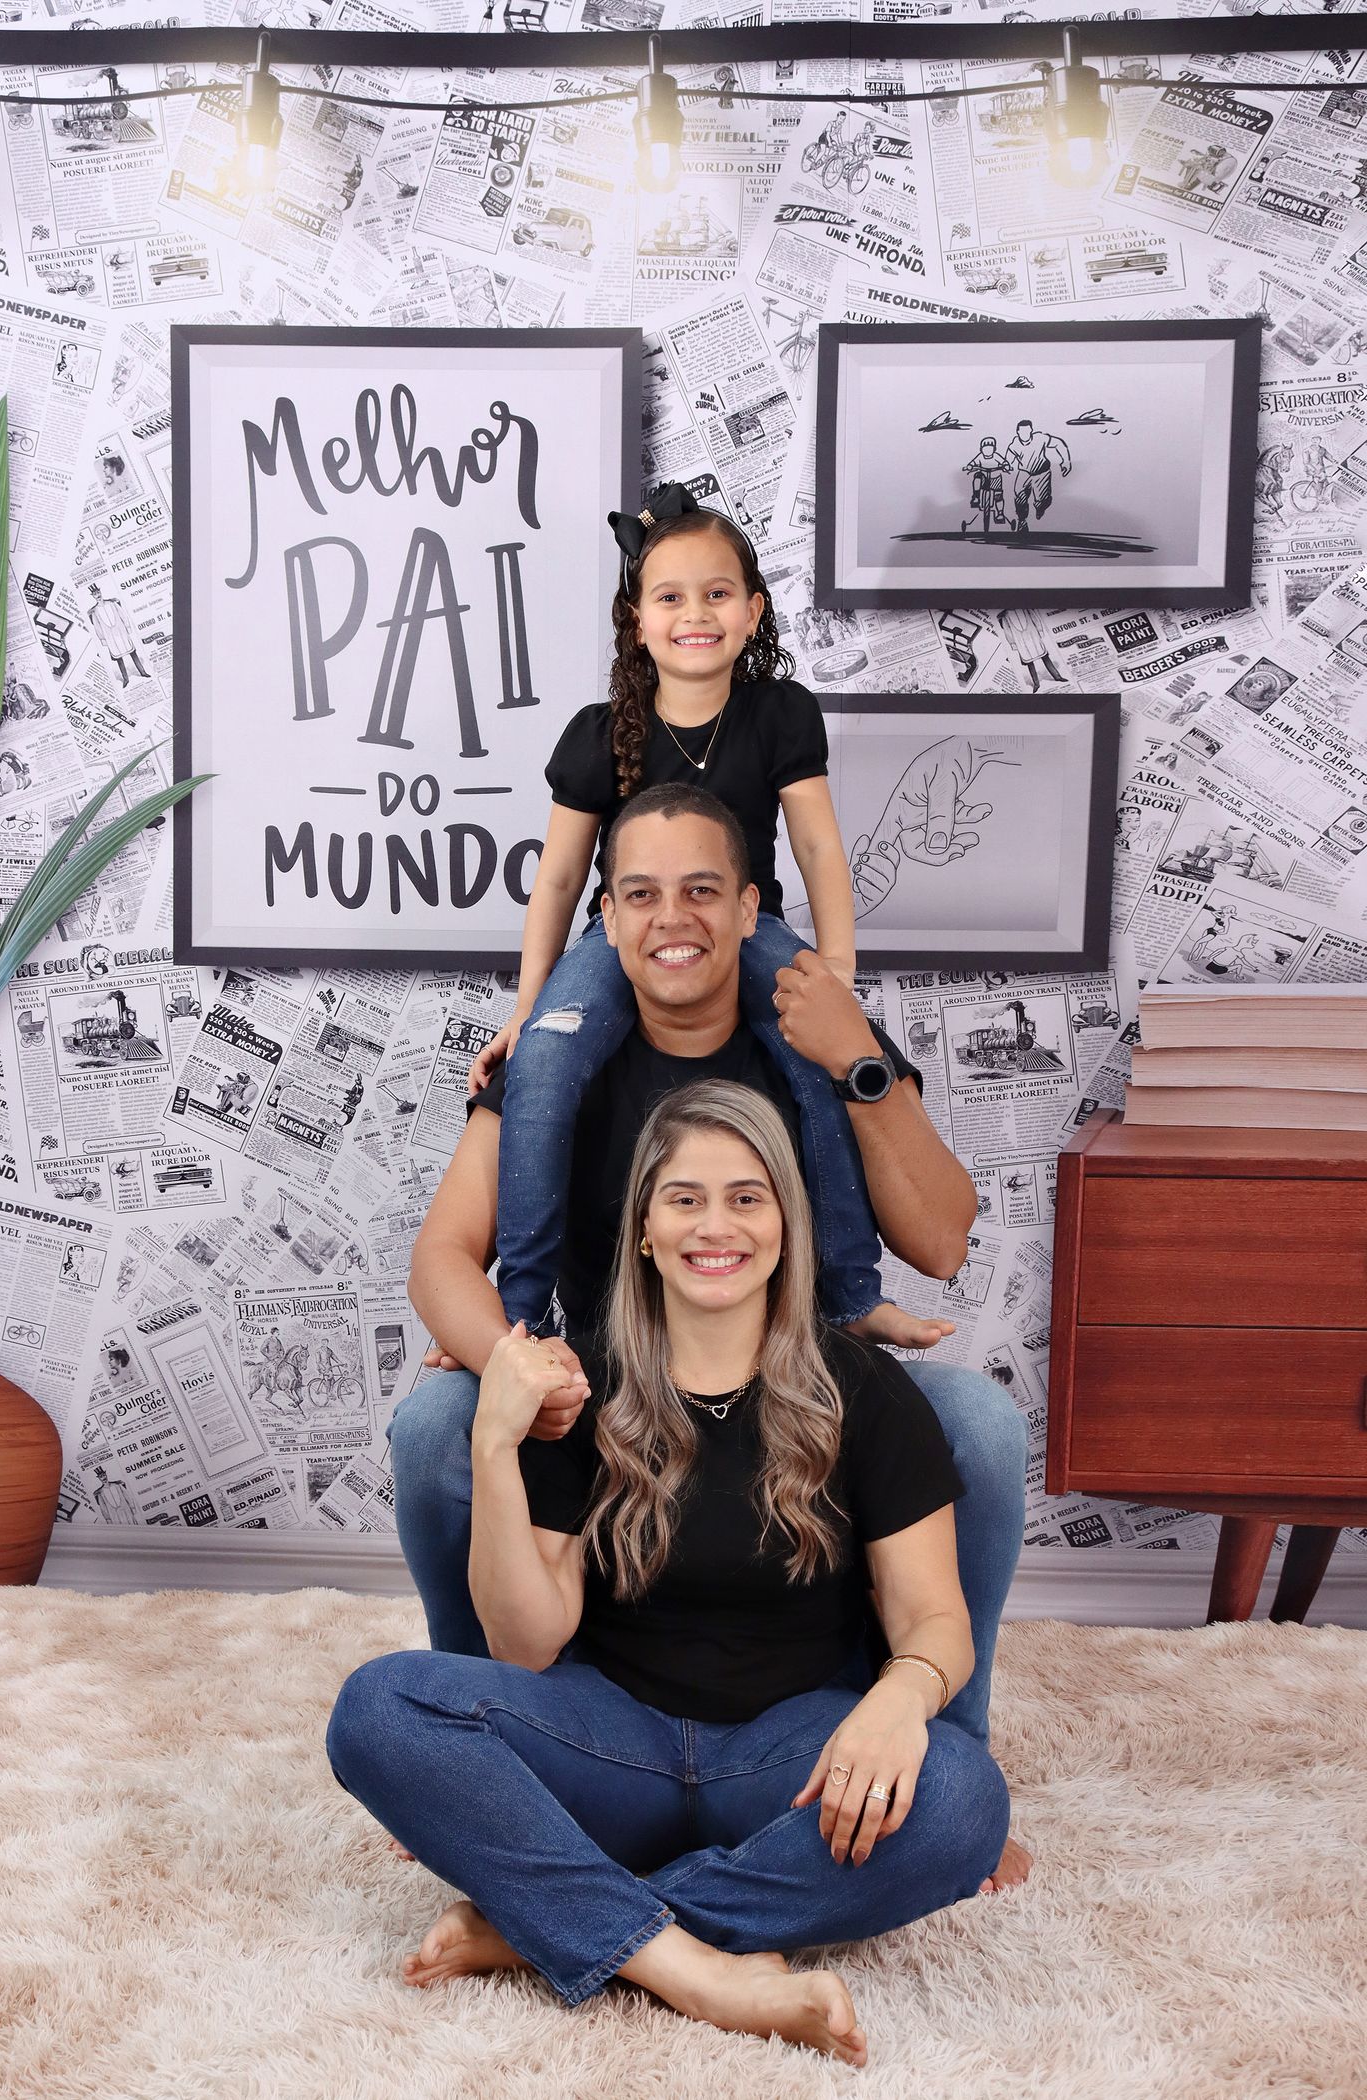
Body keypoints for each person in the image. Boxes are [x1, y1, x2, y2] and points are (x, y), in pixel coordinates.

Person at [393, 786, 1031, 1909]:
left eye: (700, 890)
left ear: (748, 909)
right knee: (437, 1423)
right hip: (608, 1387)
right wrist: (513, 1367)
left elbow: (939, 1239)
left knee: (975, 1422)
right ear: (606, 917)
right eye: (640, 895)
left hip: (798, 1370)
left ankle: (927, 1742)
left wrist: (858, 1058)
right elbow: (443, 1257)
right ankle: (493, 1750)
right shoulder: (552, 1066)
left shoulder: (818, 1043)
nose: (671, 919)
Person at [332, 1083, 1010, 2062]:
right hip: (611, 1745)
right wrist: (493, 1443)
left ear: (785, 1224)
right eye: (684, 1199)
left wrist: (901, 1697)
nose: (715, 1226)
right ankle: (699, 1971)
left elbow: (934, 1618)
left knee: (961, 1799)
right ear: (644, 1230)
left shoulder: (864, 1392)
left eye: (746, 1198)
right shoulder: (582, 1386)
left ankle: (556, 1926)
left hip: (789, 1760)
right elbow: (525, 1645)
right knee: (378, 1708)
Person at [472, 482, 897, 1337]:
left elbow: (818, 847)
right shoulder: (599, 733)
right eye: (670, 597)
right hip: (620, 938)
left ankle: (852, 1294)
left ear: (752, 612)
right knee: (543, 1061)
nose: (695, 613)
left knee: (820, 1065)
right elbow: (559, 880)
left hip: (747, 930)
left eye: (717, 593)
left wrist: (837, 971)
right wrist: (528, 1007)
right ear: (638, 620)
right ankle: (521, 1309)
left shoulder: (779, 714)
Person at [1001, 418, 1071, 536]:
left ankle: (1041, 507)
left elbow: (1059, 443)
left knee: (1041, 501)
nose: (1025, 434)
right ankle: (1022, 522)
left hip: (1042, 473)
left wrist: (1066, 462)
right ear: (1018, 432)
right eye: (1022, 432)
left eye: (1028, 431)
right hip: (1024, 473)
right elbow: (1007, 461)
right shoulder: (1014, 445)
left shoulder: (1040, 438)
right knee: (1019, 496)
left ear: (1031, 431)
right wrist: (1006, 466)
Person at [960, 437, 1007, 533]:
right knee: (977, 476)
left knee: (998, 496)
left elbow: (1004, 462)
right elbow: (972, 463)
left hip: (995, 478)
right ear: (981, 449)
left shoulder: (996, 456)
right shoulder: (980, 457)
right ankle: (976, 497)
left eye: (990, 448)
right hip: (984, 478)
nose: (987, 450)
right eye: (985, 448)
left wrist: (1006, 466)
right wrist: (969, 466)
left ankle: (1000, 513)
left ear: (994, 449)